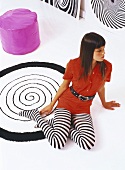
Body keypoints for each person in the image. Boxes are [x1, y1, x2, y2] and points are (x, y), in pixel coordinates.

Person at [19, 32, 120, 150]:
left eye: (103, 49)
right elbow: (64, 86)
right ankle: (36, 116)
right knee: (58, 142)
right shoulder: (73, 64)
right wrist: (52, 105)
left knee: (88, 143)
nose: (103, 53)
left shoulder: (107, 66)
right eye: (99, 51)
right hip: (67, 103)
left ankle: (64, 126)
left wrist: (104, 102)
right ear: (88, 51)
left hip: (83, 108)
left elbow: (101, 87)